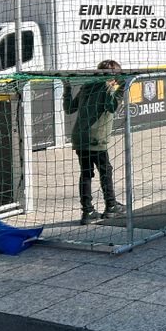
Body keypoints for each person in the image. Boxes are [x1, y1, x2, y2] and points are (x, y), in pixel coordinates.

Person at [63, 60, 127, 225]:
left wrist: (67, 87)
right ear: (113, 77)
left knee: (86, 173)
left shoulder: (87, 85)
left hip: (80, 138)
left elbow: (70, 108)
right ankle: (111, 206)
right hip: (96, 138)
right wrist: (122, 88)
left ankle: (87, 211)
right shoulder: (106, 87)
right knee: (105, 171)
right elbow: (112, 106)